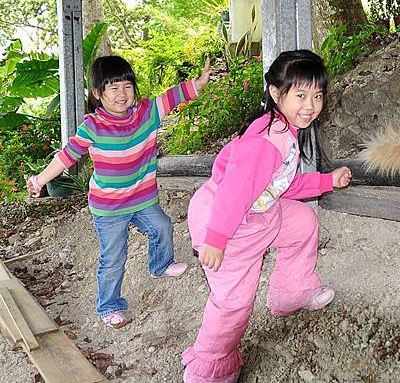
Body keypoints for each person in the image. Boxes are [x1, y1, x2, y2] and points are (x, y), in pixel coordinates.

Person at [182, 49, 352, 383]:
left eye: (317, 95)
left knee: (302, 222)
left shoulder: (286, 128)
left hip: (259, 213)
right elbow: (235, 192)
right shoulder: (265, 142)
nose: (311, 105)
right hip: (227, 223)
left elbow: (280, 185)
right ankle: (208, 369)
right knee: (233, 304)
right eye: (300, 95)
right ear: (276, 93)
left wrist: (326, 181)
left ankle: (292, 293)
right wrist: (215, 240)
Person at [27, 55, 212, 329]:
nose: (122, 93)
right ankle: (109, 306)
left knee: (162, 226)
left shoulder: (147, 113)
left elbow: (172, 97)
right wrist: (40, 179)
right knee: (114, 257)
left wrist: (198, 83)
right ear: (98, 94)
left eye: (127, 86)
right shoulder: (92, 126)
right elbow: (67, 157)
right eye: (113, 88)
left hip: (142, 198)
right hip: (109, 208)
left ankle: (160, 265)